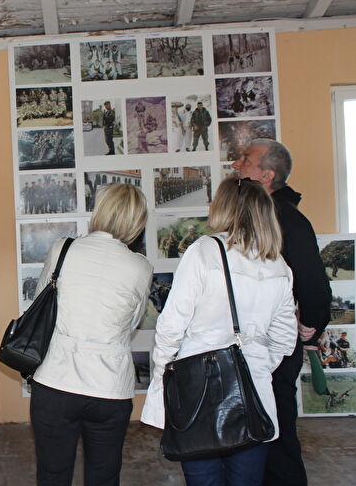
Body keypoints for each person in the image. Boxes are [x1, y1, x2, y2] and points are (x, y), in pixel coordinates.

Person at [141, 177, 297, 486]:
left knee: (204, 479)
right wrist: (255, 365)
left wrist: (165, 374)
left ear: (228, 207)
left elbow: (172, 324)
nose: (210, 205)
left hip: (199, 387)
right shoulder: (277, 264)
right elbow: (284, 339)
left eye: (215, 200)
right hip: (254, 391)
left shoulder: (204, 251)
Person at [30, 183, 152, 486]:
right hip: (110, 386)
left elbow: (40, 303)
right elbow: (133, 322)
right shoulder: (140, 266)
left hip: (57, 379)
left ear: (100, 211)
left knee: (52, 473)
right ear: (137, 221)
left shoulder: (64, 248)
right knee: (104, 474)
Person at [231, 139, 332, 485]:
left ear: (266, 176)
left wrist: (311, 326)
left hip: (273, 348)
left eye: (245, 159)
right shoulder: (264, 216)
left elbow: (316, 285)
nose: (235, 164)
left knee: (276, 438)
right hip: (256, 346)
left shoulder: (286, 219)